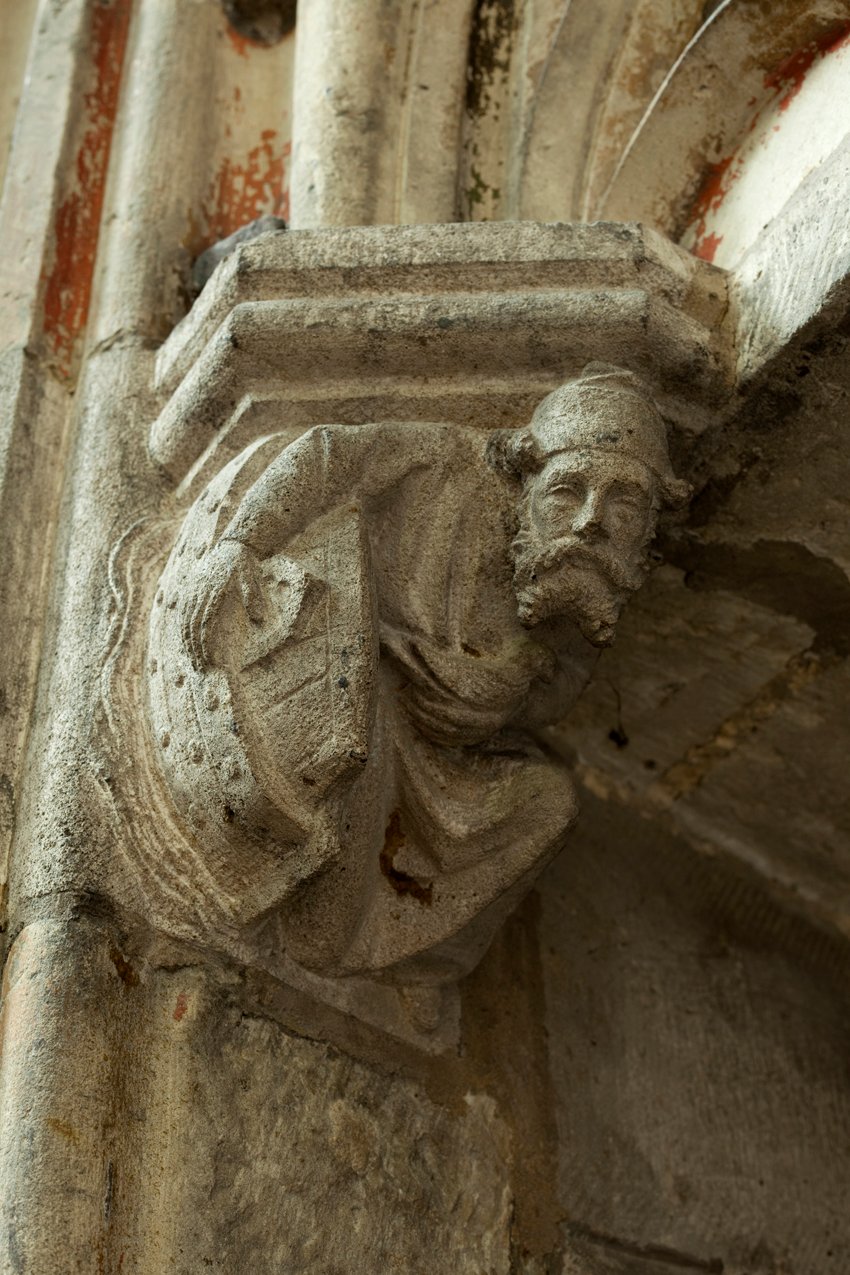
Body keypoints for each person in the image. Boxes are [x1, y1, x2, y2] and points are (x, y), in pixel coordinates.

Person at [159, 363, 687, 983]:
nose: (590, 522)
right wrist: (241, 545)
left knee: (551, 805)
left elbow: (555, 697)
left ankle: (426, 963)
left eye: (623, 505)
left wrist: (509, 689)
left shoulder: (585, 584)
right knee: (323, 940)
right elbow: (326, 453)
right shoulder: (442, 463)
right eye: (568, 492)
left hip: (448, 758)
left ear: (648, 526)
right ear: (526, 479)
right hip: (365, 704)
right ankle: (339, 931)